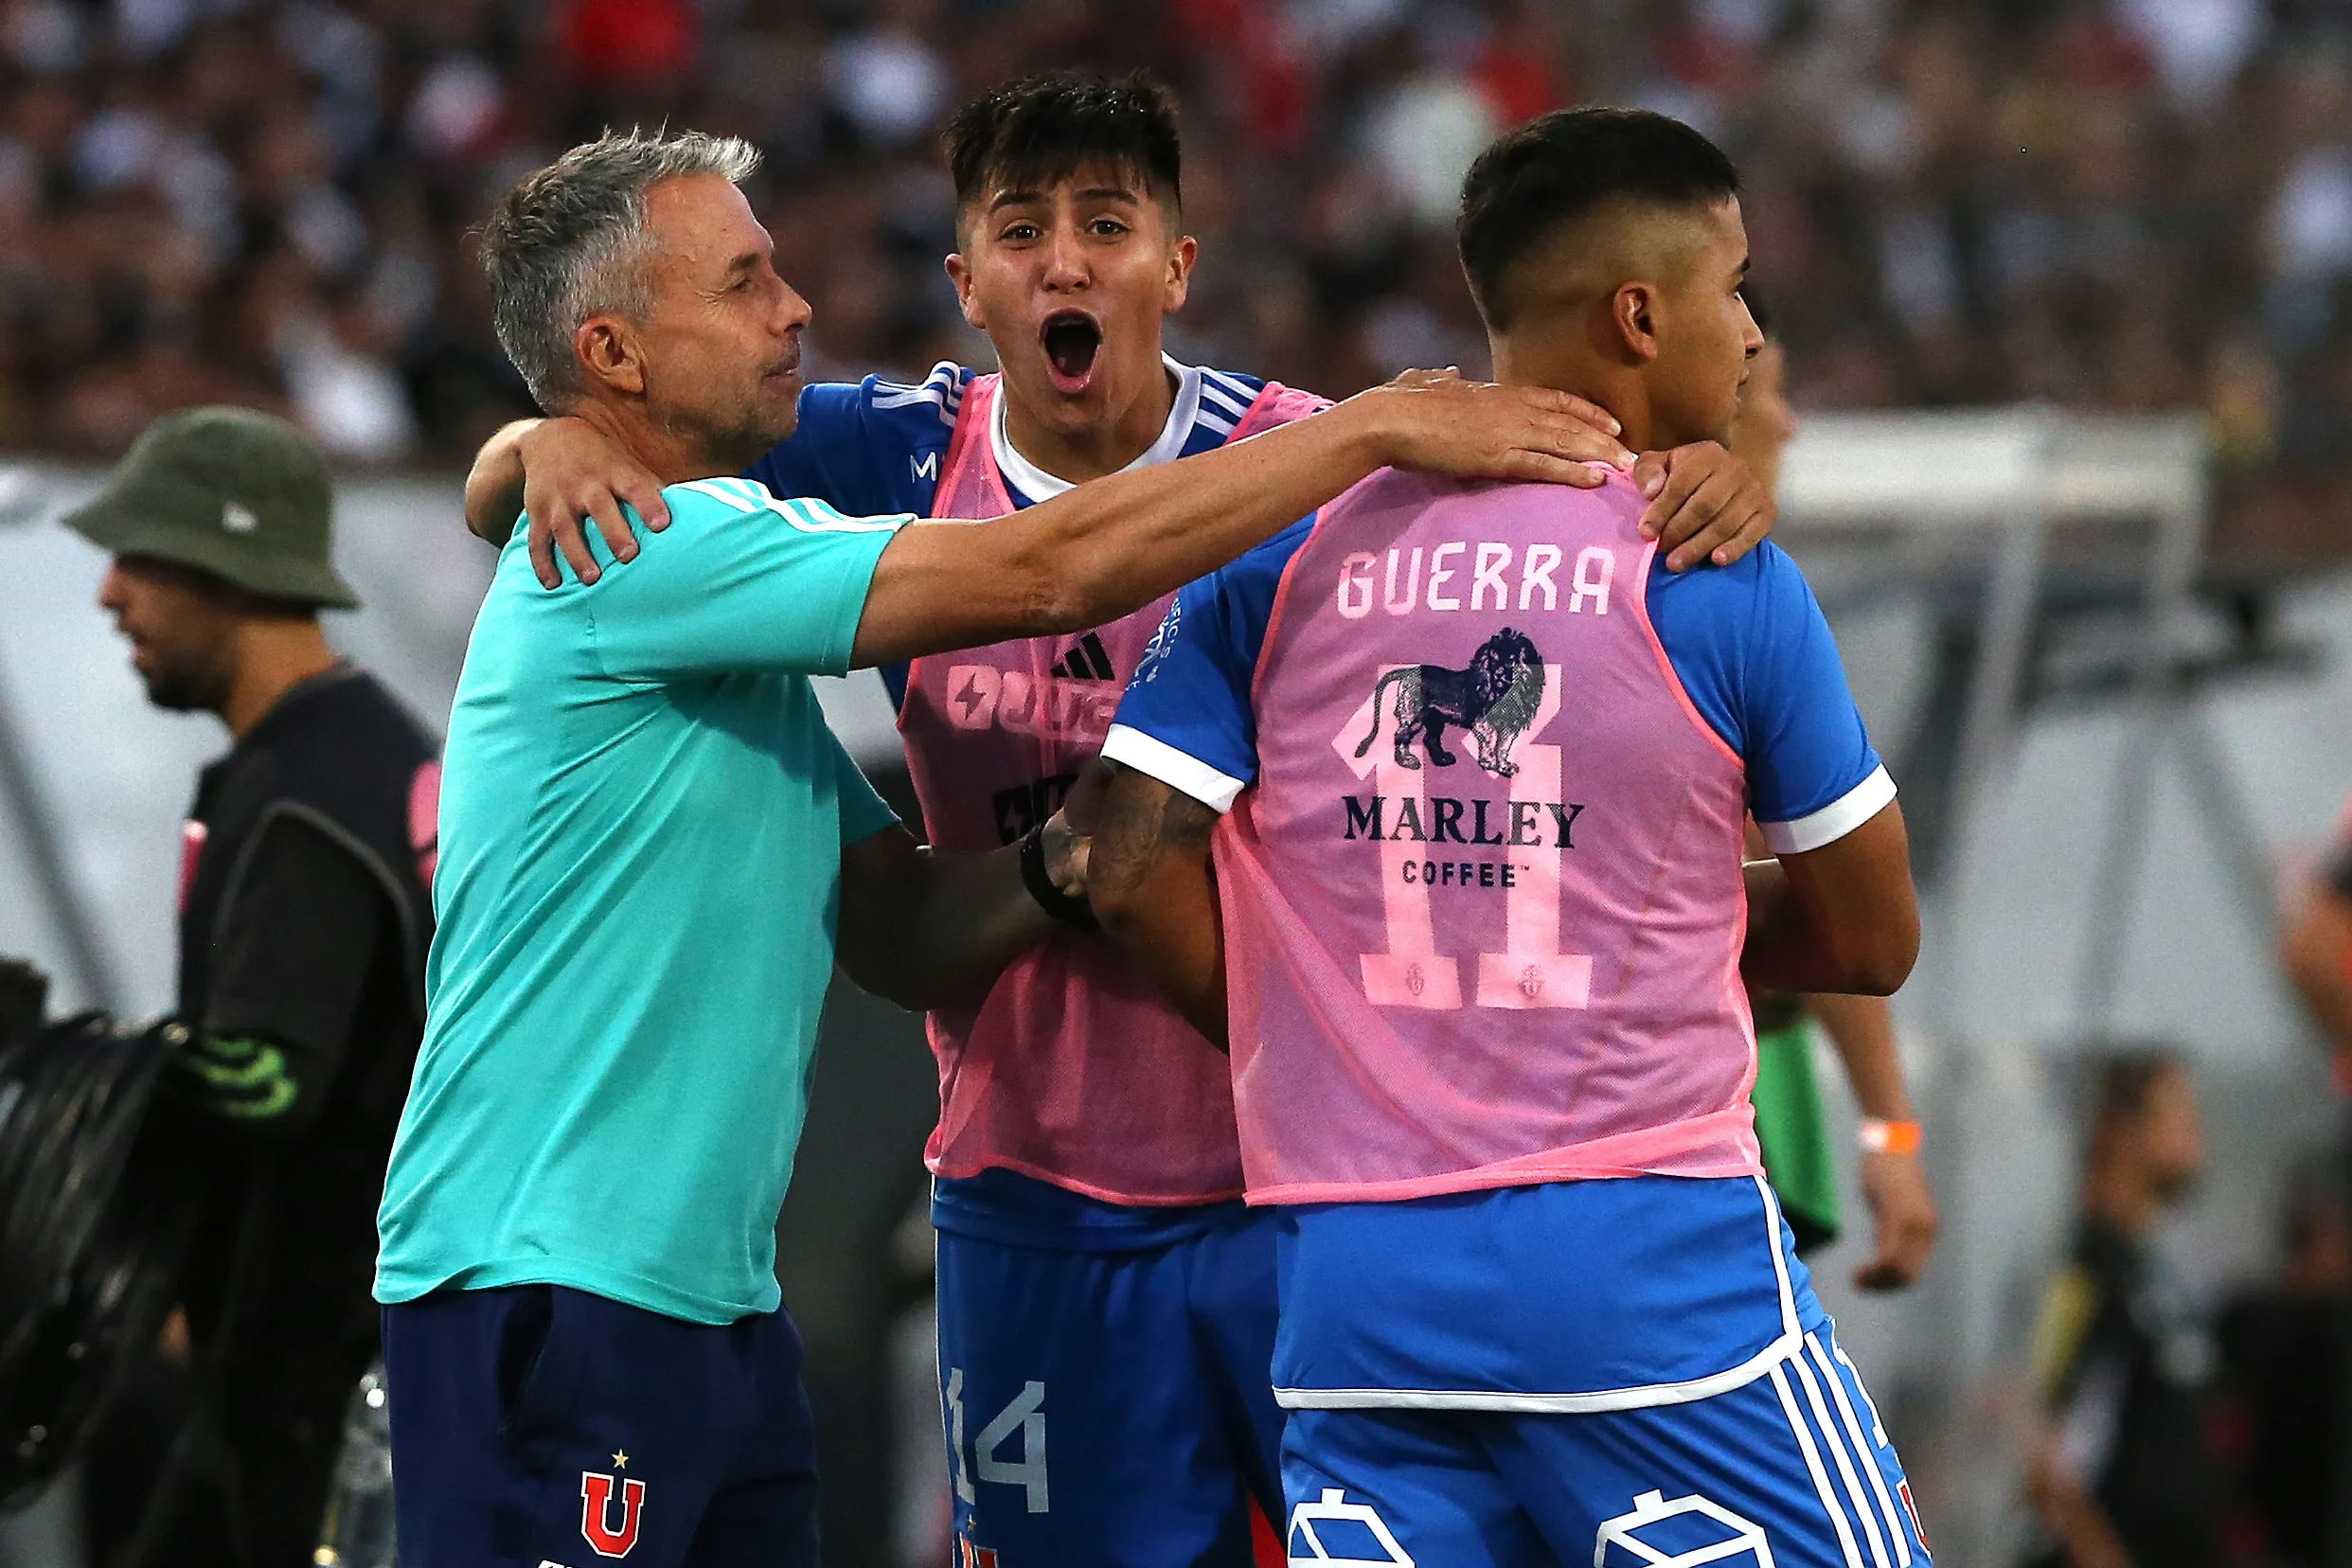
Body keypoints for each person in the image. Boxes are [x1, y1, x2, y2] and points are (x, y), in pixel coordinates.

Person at [454, 73, 1784, 1568]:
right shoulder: (880, 454)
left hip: (1295, 1186)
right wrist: (534, 449)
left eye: (1108, 223)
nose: (1067, 262)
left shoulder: (1318, 455)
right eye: (1022, 231)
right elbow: (635, 462)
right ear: (967, 284)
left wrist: (1702, 465)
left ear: (1178, 266)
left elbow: (1563, 511)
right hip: (1035, 1201)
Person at [1082, 106, 1931, 1565]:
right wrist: (1672, 950)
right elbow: (1872, 937)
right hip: (1654, 1288)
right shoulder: (1717, 573)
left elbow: (1122, 862)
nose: (1748, 328)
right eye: (1734, 287)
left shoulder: (1286, 545)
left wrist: (1330, 1024)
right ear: (1639, 313)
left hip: (1357, 1295)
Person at [61, 405, 439, 1567]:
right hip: (316, 1366)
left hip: (316, 1384)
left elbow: (269, 1079)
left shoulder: (303, 796)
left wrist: (68, 1068)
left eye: (139, 558)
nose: (110, 595)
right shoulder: (360, 748)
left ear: (224, 564)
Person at [1731, 288, 1939, 1289]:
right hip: (1700, 1132)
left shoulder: (1749, 596)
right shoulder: (1722, 615)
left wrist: (1890, 1125)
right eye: (1768, 391)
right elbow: (1833, 905)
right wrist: (1889, 1128)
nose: (1789, 422)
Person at [2020, 1050, 2220, 1568]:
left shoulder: (2150, 1266)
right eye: (2179, 1112)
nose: (2197, 1133)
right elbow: (2033, 1425)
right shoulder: (2083, 1268)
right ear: (2119, 1128)